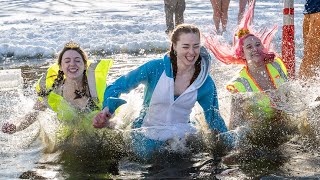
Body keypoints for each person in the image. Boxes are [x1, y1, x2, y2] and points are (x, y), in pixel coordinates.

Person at [93, 24, 229, 160]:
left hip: (181, 137)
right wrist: (107, 109)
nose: (192, 52)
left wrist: (229, 147)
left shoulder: (204, 81)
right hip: (146, 133)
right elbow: (117, 86)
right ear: (175, 47)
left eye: (196, 46)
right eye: (186, 46)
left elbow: (214, 118)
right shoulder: (156, 68)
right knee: (151, 164)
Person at [2, 41, 113, 144]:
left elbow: (115, 122)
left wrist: (106, 123)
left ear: (85, 66)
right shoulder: (53, 91)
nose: (72, 64)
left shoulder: (96, 89)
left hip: (99, 139)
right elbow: (32, 114)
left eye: (77, 60)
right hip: (69, 141)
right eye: (67, 61)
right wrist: (15, 127)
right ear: (60, 66)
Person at [205, 0, 288, 129]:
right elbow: (234, 127)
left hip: (283, 125)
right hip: (260, 131)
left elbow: (290, 94)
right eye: (249, 47)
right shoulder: (239, 85)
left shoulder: (276, 64)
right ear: (242, 54)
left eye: (258, 44)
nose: (255, 49)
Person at [298, 0, 320, 80]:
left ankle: (301, 87)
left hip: (317, 10)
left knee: (310, 55)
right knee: (310, 55)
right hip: (309, 8)